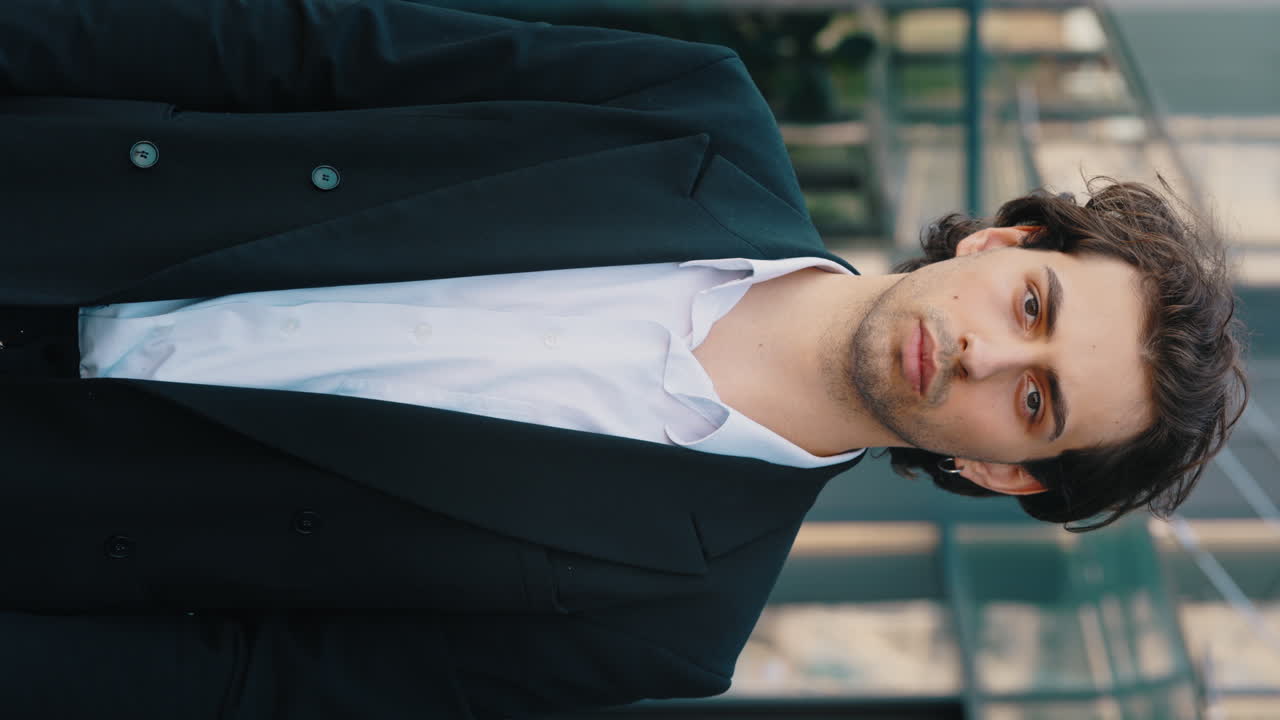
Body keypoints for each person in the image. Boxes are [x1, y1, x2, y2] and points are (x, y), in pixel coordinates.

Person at [0, 1, 1245, 718]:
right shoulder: (692, 107)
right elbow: (298, 50)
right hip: (46, 196)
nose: (977, 349)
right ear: (999, 238)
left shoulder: (671, 625)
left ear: (1006, 478)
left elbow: (252, 683)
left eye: (1033, 402)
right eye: (1030, 300)